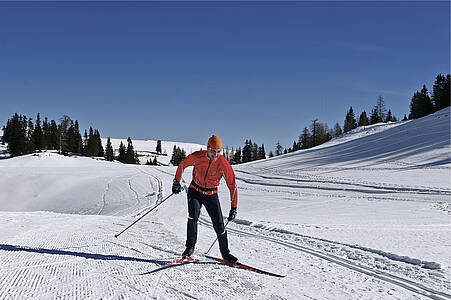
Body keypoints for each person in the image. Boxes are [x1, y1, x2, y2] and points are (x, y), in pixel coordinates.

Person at [172, 135, 238, 263]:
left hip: (211, 194)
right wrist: (176, 181)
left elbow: (232, 185)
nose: (216, 154)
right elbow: (182, 164)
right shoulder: (198, 156)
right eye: (213, 151)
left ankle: (226, 254)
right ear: (207, 148)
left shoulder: (223, 163)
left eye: (219, 151)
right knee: (193, 216)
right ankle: (190, 247)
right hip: (195, 191)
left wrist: (234, 207)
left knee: (219, 225)